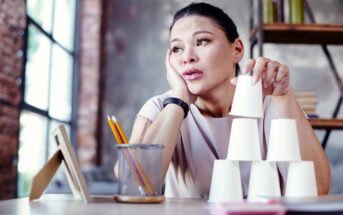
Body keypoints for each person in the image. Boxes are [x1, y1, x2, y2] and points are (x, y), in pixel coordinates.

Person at [128, 2, 330, 198]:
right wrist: (179, 100)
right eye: (177, 49)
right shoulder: (161, 107)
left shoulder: (274, 102)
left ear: (237, 50)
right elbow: (134, 185)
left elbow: (317, 188)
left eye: (201, 41)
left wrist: (284, 97)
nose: (187, 57)